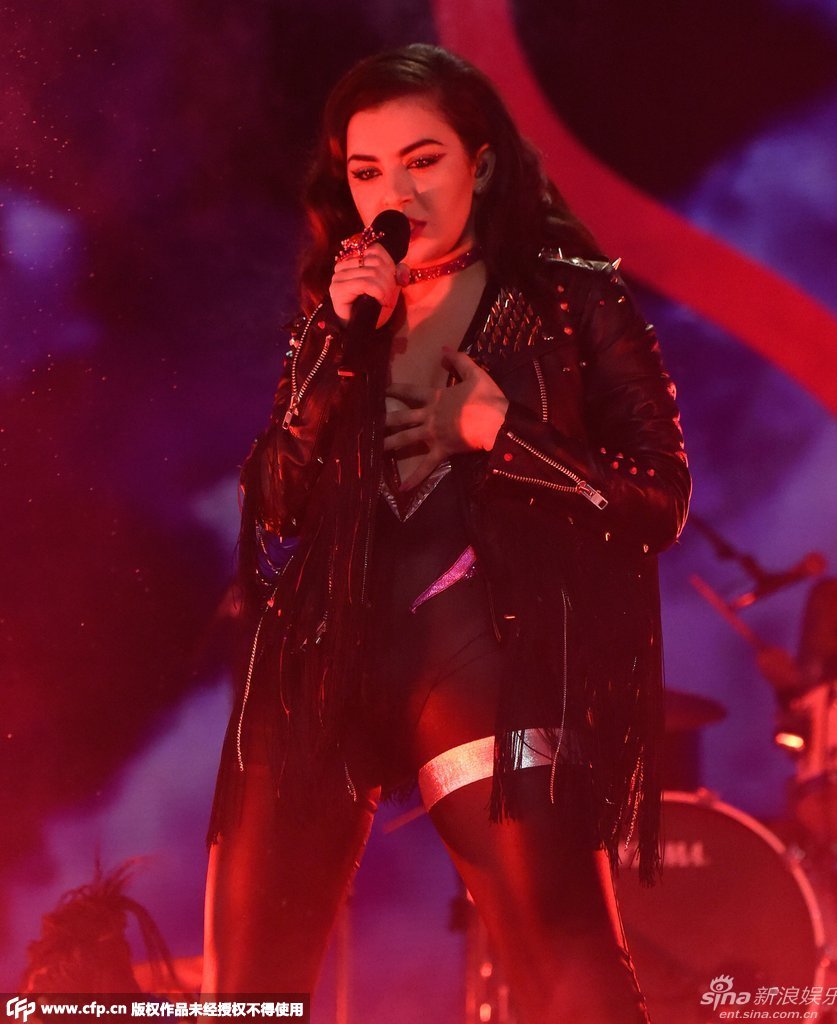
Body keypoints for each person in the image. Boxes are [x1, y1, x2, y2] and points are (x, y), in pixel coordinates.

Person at [201, 43, 691, 1022]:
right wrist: (336, 346)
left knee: (575, 983)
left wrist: (503, 434)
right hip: (315, 660)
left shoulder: (570, 296)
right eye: (367, 171)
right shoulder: (338, 309)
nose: (396, 194)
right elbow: (277, 509)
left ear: (482, 161)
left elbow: (657, 499)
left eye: (422, 160)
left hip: (484, 646)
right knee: (240, 997)